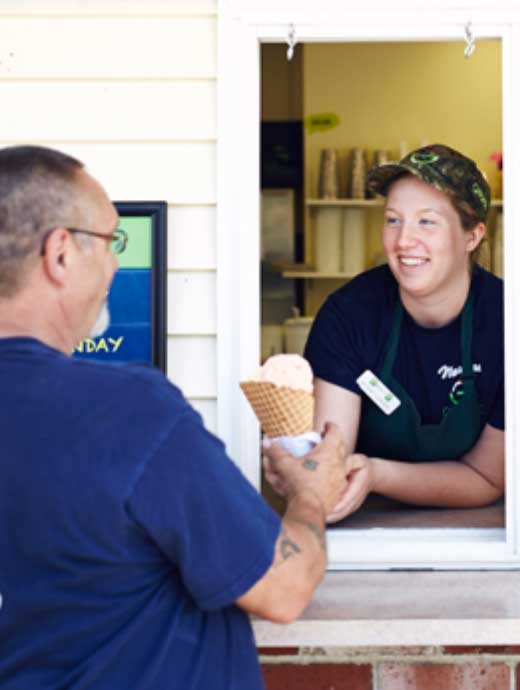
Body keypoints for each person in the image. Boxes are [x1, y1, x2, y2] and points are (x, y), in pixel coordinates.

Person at [0, 145, 349, 690]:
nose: (116, 263)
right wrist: (311, 494)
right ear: (61, 253)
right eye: (111, 241)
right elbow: (283, 589)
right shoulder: (127, 414)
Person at [304, 143, 505, 522]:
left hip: (481, 533)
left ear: (472, 237)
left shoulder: (505, 322)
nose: (403, 241)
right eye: (393, 219)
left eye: (426, 221)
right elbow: (331, 466)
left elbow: (487, 477)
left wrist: (377, 474)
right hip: (360, 528)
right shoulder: (349, 316)